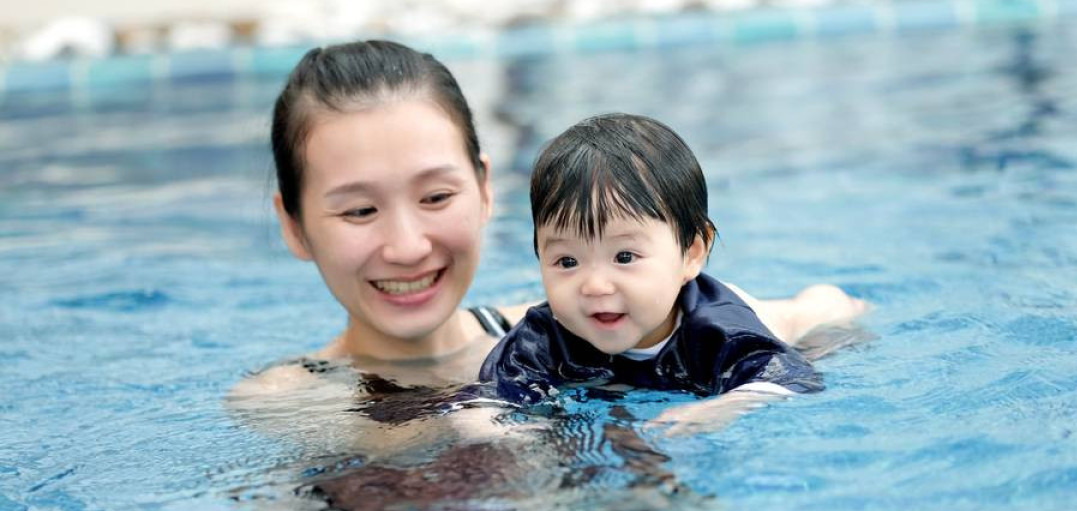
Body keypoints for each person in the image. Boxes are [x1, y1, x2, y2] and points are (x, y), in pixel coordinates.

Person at [230, 39, 867, 447]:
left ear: (484, 191)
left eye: (435, 197)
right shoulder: (288, 404)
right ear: (293, 224)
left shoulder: (579, 320)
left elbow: (818, 314)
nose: (406, 245)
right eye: (361, 209)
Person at [479, 113, 823, 405]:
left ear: (692, 253)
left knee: (803, 316)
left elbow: (792, 376)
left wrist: (726, 406)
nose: (595, 286)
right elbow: (493, 400)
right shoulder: (544, 337)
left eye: (624, 256)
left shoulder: (720, 333)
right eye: (568, 262)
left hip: (758, 317)